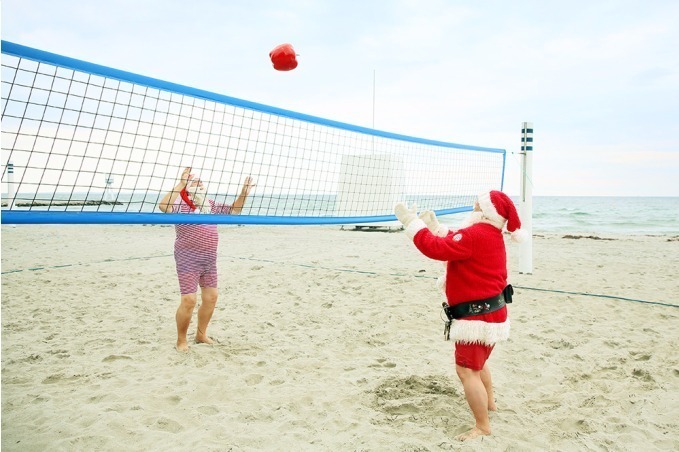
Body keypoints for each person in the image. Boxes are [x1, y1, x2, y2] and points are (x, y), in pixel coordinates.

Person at [394, 190, 525, 441]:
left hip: (477, 320)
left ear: (485, 210)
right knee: (479, 363)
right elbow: (456, 241)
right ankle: (490, 405)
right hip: (493, 314)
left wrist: (413, 225)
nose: (474, 202)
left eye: (479, 200)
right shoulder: (489, 233)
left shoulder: (476, 234)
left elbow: (436, 249)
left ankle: (483, 426)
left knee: (466, 371)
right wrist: (434, 226)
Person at [158, 167, 256, 352]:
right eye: (195, 182)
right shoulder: (179, 204)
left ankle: (201, 335)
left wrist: (243, 194)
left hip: (209, 258)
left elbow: (234, 211)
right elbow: (163, 206)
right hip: (188, 258)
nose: (199, 184)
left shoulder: (209, 205)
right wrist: (181, 183)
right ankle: (181, 341)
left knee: (211, 297)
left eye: (201, 182)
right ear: (187, 188)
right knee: (189, 300)